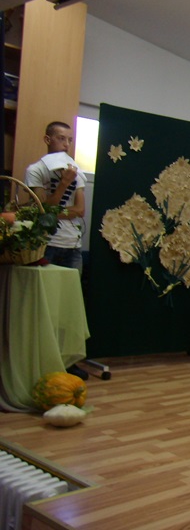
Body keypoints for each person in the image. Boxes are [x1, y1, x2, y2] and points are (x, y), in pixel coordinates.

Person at [25, 121, 89, 380]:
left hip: (72, 246)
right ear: (48, 139)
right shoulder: (36, 170)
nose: (66, 144)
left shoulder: (77, 172)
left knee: (67, 308)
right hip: (47, 245)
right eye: (61, 138)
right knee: (44, 307)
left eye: (69, 139)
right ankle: (41, 361)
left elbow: (80, 210)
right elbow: (42, 212)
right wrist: (63, 184)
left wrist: (56, 210)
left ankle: (66, 362)